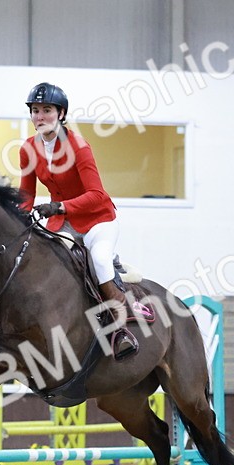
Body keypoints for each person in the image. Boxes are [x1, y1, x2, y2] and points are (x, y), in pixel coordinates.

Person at [18, 82, 154, 361]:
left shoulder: (79, 147)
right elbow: (26, 194)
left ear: (61, 114)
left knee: (100, 259)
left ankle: (120, 325)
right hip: (61, 224)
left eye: (46, 110)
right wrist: (17, 218)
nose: (40, 116)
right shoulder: (28, 149)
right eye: (35, 111)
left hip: (96, 221)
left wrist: (60, 206)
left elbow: (96, 194)